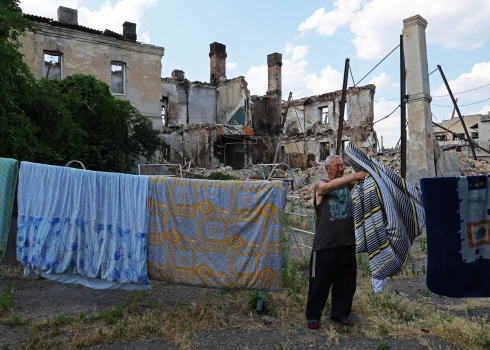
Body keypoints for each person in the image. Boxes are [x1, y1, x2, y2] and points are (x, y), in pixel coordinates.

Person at [306, 154, 367, 330]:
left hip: (347, 243)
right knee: (319, 283)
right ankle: (313, 316)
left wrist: (364, 170)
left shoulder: (347, 186)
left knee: (346, 283)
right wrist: (355, 176)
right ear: (327, 169)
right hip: (325, 245)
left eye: (342, 165)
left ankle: (340, 314)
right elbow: (328, 188)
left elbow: (361, 177)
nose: (340, 168)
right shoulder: (320, 186)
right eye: (337, 166)